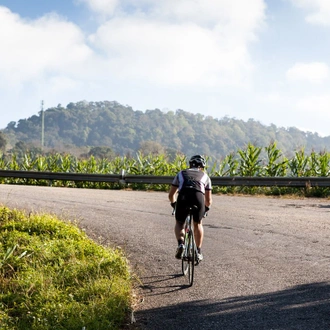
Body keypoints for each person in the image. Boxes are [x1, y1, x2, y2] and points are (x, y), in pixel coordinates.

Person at [168, 155, 212, 262]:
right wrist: (205, 209)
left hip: (183, 196)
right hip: (198, 197)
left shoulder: (181, 174)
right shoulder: (205, 176)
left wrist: (174, 205)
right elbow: (208, 200)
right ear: (202, 166)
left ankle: (181, 244)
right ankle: (198, 251)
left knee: (179, 222)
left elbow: (171, 195)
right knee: (198, 223)